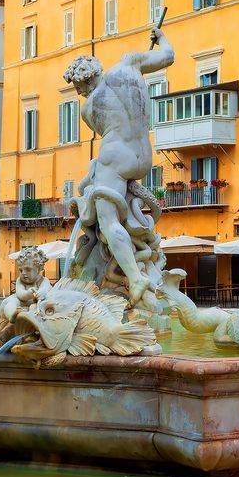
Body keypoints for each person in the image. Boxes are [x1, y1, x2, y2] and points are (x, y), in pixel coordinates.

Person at [63, 26, 174, 306]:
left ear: (81, 85)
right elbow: (168, 56)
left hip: (115, 156)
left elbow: (104, 128)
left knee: (108, 221)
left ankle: (135, 278)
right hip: (144, 156)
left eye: (77, 90)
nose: (79, 94)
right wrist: (160, 38)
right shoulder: (130, 63)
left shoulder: (88, 109)